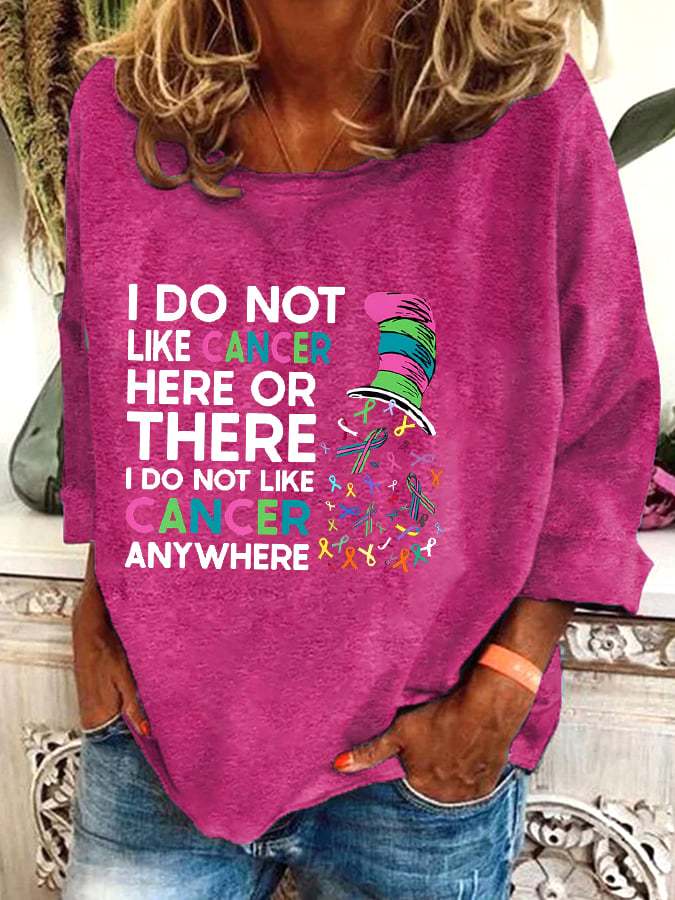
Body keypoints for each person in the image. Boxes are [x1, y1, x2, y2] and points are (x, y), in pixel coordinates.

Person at [58, 1, 660, 897]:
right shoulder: (121, 111)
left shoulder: (526, 107)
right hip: (156, 742)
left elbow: (604, 411)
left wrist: (508, 675)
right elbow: (99, 372)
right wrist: (96, 608)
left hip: (416, 761)